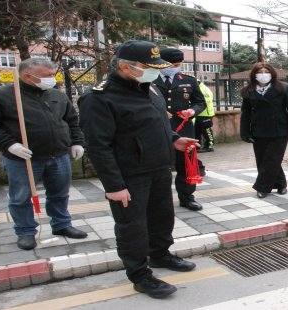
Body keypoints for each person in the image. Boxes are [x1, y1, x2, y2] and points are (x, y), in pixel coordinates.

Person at [78, 40, 198, 298]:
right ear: (125, 66)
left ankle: (160, 255)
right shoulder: (99, 97)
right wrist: (114, 187)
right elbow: (98, 147)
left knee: (162, 217)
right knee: (132, 226)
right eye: (149, 67)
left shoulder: (148, 87)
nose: (155, 72)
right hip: (129, 175)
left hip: (159, 168)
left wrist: (174, 140)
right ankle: (140, 275)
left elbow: (157, 123)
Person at [0, 58, 87, 251]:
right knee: (21, 196)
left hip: (58, 155)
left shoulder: (57, 95)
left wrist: (77, 142)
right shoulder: (1, 97)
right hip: (23, 158)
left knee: (60, 193)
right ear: (27, 76)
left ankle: (61, 224)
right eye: (47, 75)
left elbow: (72, 120)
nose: (52, 78)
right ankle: (25, 232)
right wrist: (9, 144)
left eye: (53, 74)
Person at [153, 47, 207, 211]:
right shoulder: (149, 80)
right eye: (172, 64)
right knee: (159, 167)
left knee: (186, 166)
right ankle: (158, 201)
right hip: (158, 130)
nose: (176, 67)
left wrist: (191, 111)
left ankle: (187, 198)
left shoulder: (188, 80)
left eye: (179, 64)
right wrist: (159, 111)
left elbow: (200, 102)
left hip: (183, 129)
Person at [240, 63, 288, 199]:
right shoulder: (248, 91)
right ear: (254, 75)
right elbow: (245, 113)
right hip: (258, 130)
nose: (263, 74)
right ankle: (281, 184)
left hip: (279, 130)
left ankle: (262, 187)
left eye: (266, 71)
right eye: (260, 71)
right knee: (263, 160)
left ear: (272, 73)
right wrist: (244, 132)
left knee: (272, 159)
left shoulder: (283, 88)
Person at [196, 82, 216, 153]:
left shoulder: (204, 90)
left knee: (207, 131)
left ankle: (209, 146)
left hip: (206, 114)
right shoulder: (197, 89)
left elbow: (204, 102)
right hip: (197, 114)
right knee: (197, 131)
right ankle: (197, 146)